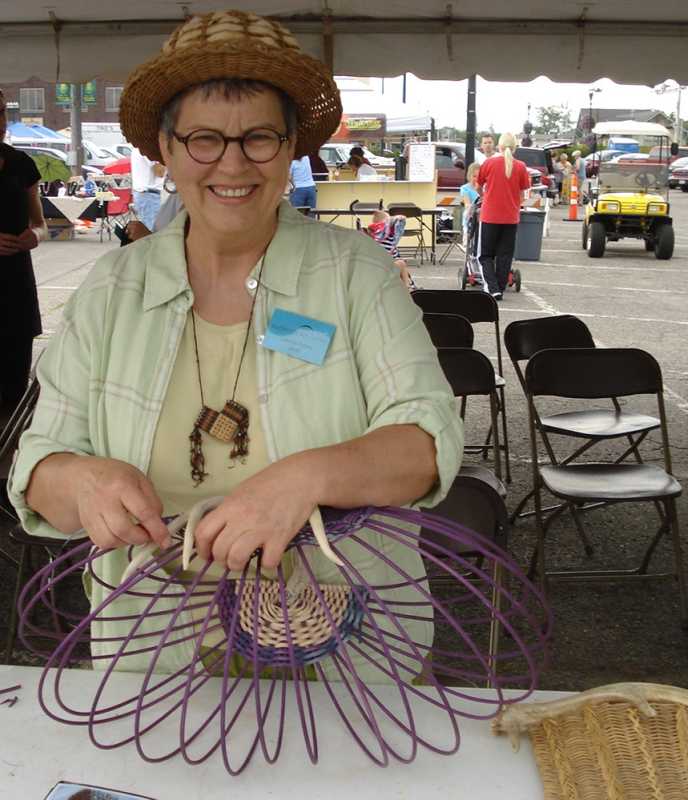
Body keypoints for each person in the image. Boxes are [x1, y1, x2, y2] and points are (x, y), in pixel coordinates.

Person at [10, 10, 462, 680]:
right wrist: (84, 481)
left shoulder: (354, 274)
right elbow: (38, 471)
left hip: (347, 655)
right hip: (153, 663)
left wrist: (306, 478)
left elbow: (426, 444)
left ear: (290, 150)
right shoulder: (114, 288)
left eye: (258, 138)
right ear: (164, 149)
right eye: (203, 139)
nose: (232, 163)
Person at [0, 87, 45, 426]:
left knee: (16, 379)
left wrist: (35, 237)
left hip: (15, 282)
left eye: (1, 112)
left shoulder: (21, 164)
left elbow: (40, 224)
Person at [475, 131, 530, 300]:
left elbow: (478, 186)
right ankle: (499, 286)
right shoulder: (521, 167)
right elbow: (522, 194)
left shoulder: (489, 164)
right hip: (511, 217)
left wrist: (485, 196)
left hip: (490, 216)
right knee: (504, 255)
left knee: (485, 255)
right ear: (515, 148)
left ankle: (492, 288)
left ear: (499, 146)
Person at [364, 210, 414, 289]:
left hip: (374, 268)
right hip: (383, 268)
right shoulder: (387, 234)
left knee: (398, 263)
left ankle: (404, 286)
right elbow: (401, 219)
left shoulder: (372, 236)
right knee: (401, 263)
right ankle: (407, 287)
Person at [130, 145, 165, 231]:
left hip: (143, 194)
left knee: (146, 230)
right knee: (151, 231)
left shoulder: (137, 148)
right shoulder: (148, 149)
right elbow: (159, 172)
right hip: (149, 195)